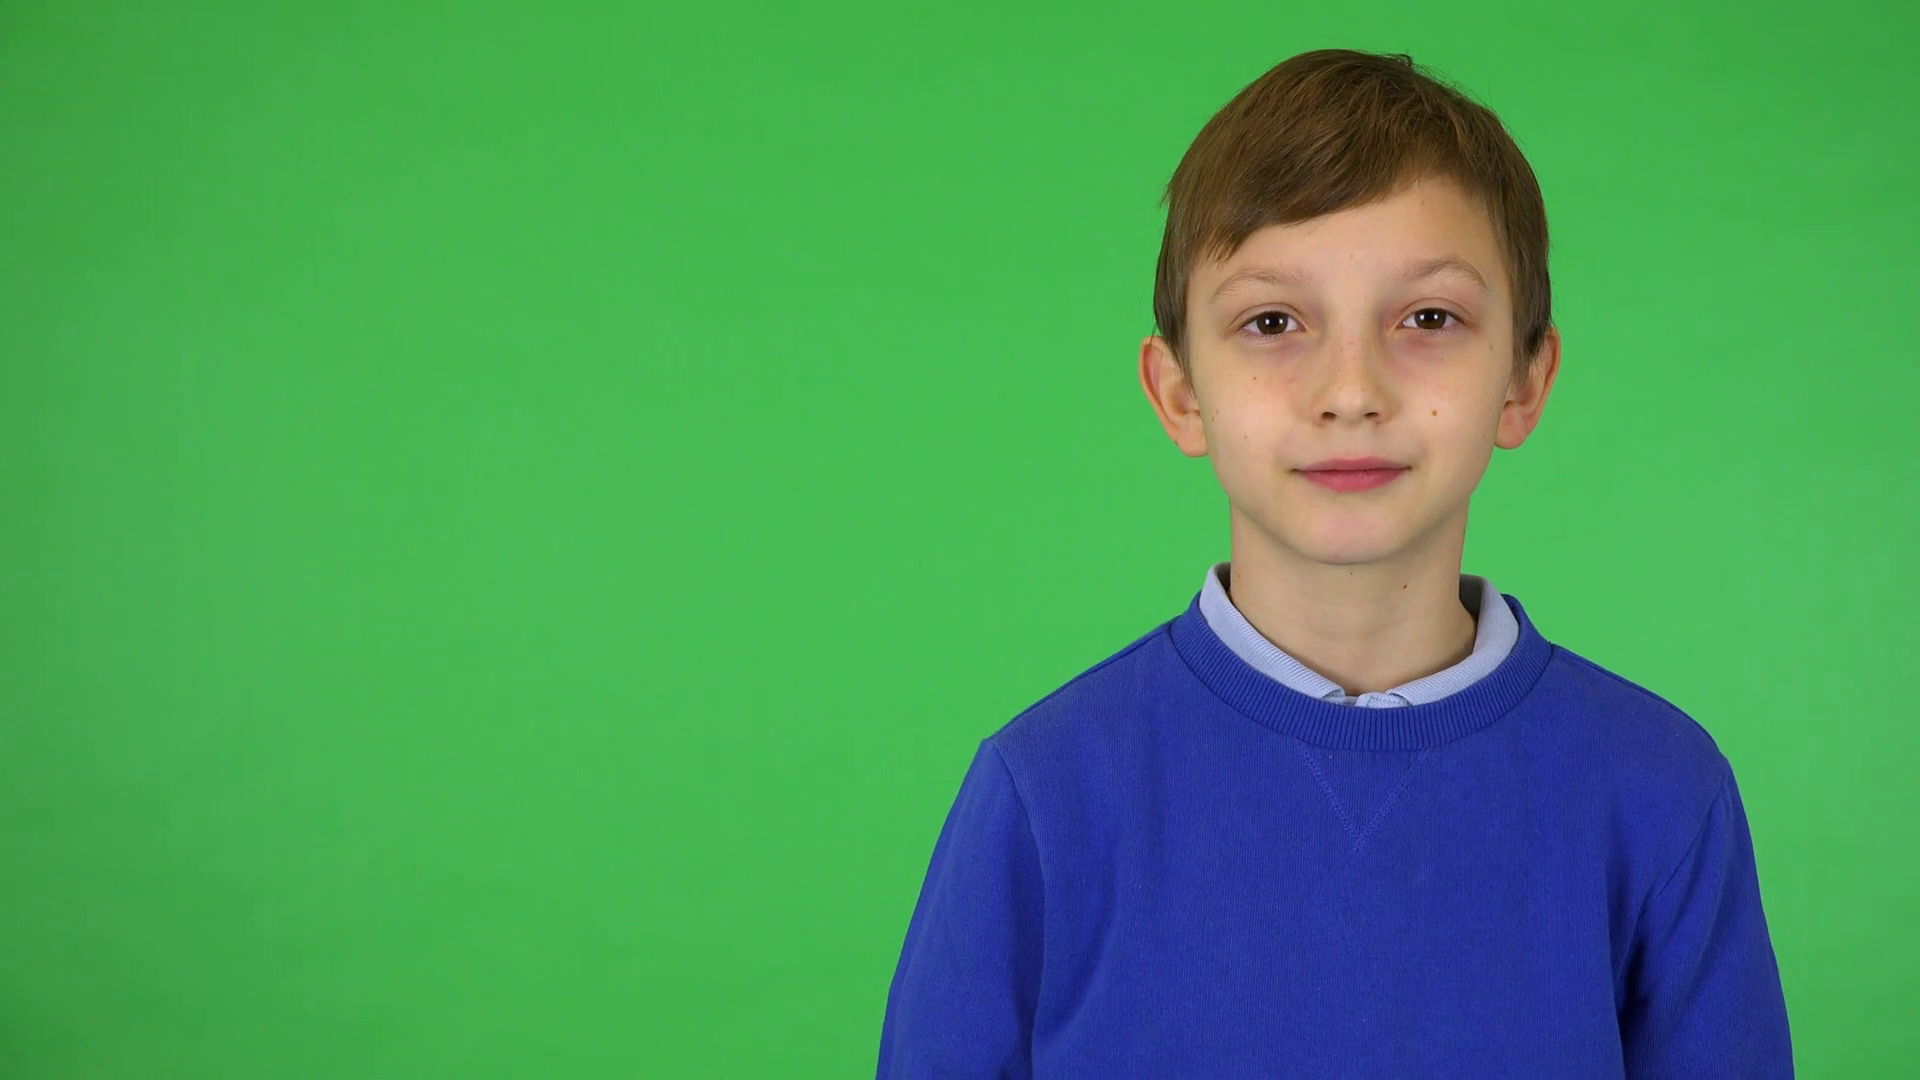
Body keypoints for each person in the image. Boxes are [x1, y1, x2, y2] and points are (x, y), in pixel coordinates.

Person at [874, 47, 1793, 1078]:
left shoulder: (1660, 793)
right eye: (1273, 322)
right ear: (1178, 392)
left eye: (1427, 319)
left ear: (1524, 381)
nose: (1350, 389)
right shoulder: (1043, 795)